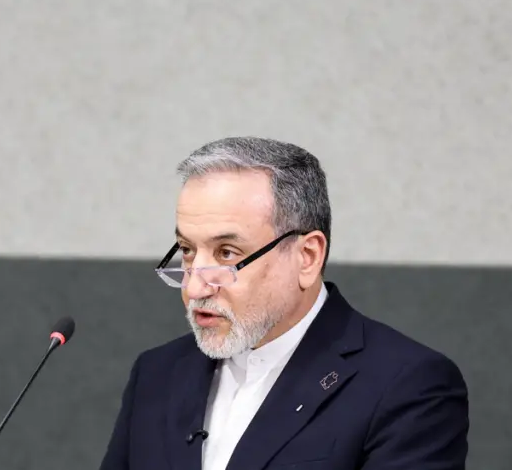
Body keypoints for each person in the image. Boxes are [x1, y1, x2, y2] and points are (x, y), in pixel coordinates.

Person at [98, 137, 469, 470]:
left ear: (307, 257)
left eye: (227, 253)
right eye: (187, 251)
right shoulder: (157, 374)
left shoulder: (407, 385)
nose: (194, 287)